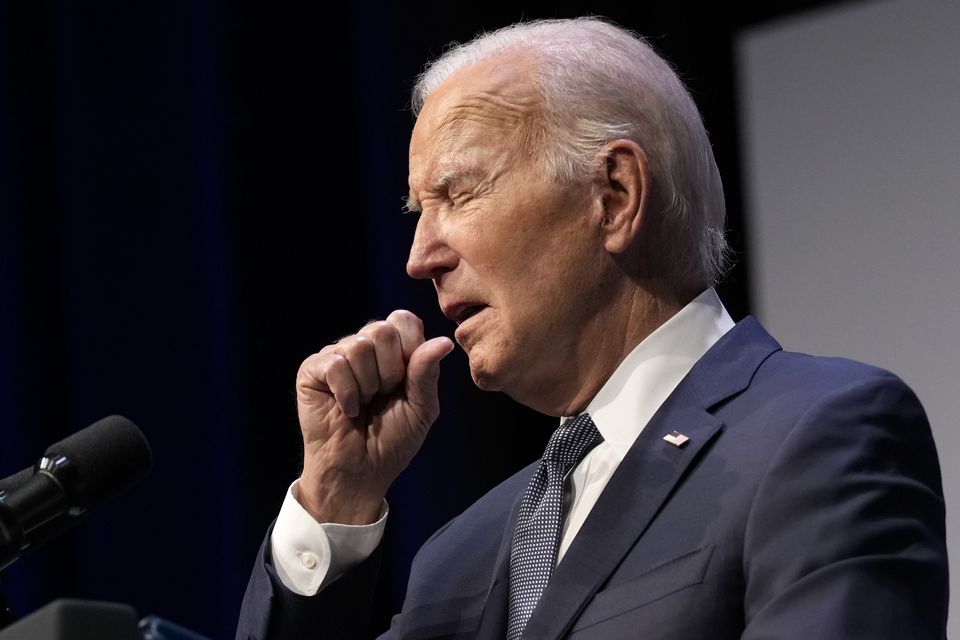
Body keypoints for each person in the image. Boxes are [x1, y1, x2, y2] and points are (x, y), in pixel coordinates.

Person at [236, 17, 948, 639]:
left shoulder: (816, 434)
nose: (420, 258)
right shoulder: (460, 557)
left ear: (614, 196)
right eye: (418, 212)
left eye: (457, 194)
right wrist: (337, 497)